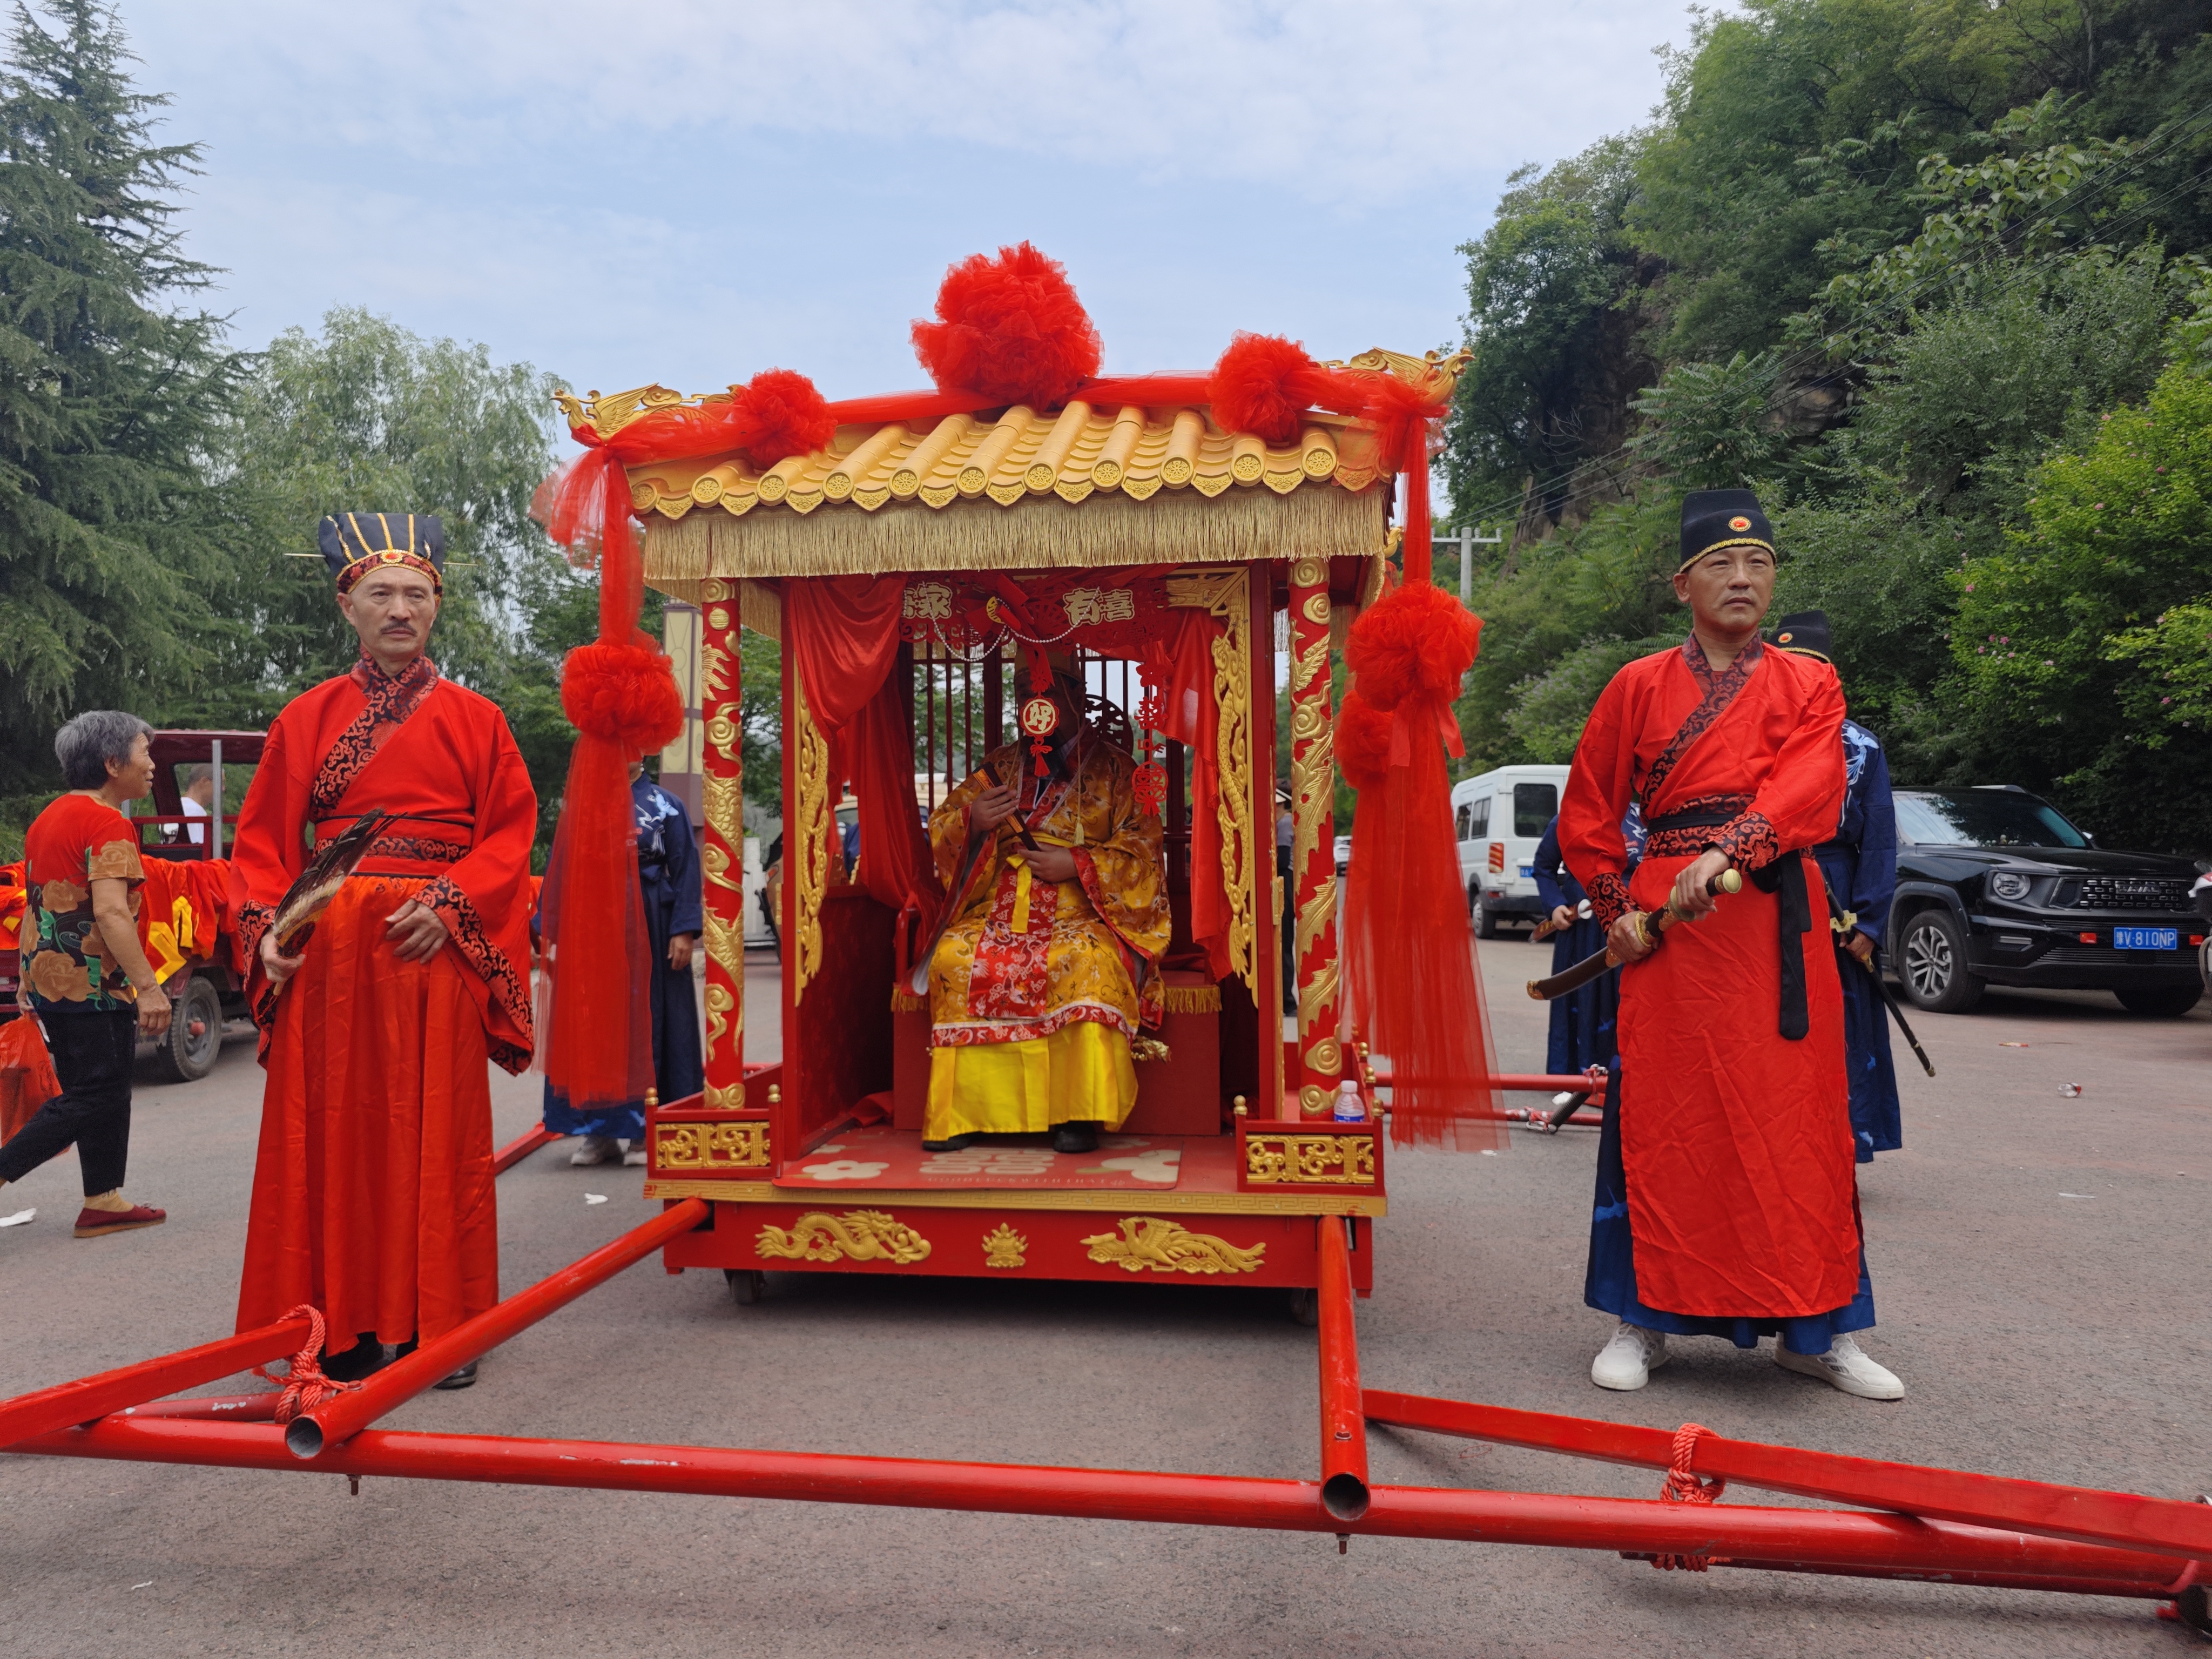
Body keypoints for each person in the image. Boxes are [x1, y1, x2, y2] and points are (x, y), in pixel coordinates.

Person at [1559, 490, 1901, 1401]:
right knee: (1667, 1122)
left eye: (1759, 564)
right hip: (1671, 941)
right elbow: (1587, 814)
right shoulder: (1635, 685)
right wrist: (1614, 911)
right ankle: (1640, 1318)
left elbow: (1811, 784)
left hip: (1776, 926)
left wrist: (1728, 851)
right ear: (1684, 585)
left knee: (1798, 1130)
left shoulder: (1810, 683)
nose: (1742, 578)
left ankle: (1818, 1330)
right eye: (1721, 564)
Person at [230, 513, 537, 1390]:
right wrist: (270, 930)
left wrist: (451, 903)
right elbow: (260, 845)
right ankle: (343, 1322)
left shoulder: (480, 721)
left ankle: (443, 1327)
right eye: (381, 594)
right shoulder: (305, 718)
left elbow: (510, 836)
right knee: (335, 1134)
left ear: (435, 605)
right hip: (330, 958)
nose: (400, 609)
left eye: (416, 594)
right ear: (348, 607)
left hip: (432, 950)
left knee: (438, 1136)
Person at [921, 656, 1170, 1154]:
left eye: (1048, 692)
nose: (1035, 704)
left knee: (1085, 962)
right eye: (1024, 693)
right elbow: (942, 828)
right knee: (955, 958)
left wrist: (1077, 864)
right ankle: (967, 1113)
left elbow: (1143, 851)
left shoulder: (1118, 769)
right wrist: (973, 823)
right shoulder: (998, 767)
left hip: (1082, 908)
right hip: (1000, 902)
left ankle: (1076, 1113)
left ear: (1077, 696)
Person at [0, 712, 171, 1237]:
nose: (152, 764)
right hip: (93, 983)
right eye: (144, 752)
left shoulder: (48, 818)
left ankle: (103, 1199)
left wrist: (26, 977)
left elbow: (37, 905)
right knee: (97, 1091)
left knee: (100, 1088)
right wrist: (150, 987)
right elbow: (112, 912)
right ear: (112, 763)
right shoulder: (107, 823)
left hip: (52, 979)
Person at [1771, 612, 1901, 1162]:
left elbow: (1879, 840)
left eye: (1812, 669)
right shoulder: (1751, 736)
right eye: (1789, 669)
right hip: (1766, 885)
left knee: (1841, 1019)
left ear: (1829, 674)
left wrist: (1869, 921)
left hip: (1837, 888)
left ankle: (1843, 1145)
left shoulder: (1860, 746)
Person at [548, 760, 704, 1166]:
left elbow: (686, 867)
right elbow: (562, 865)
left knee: (649, 1020)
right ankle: (599, 1133)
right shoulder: (583, 806)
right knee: (598, 1024)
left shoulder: (667, 805)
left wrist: (684, 929)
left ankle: (644, 1132)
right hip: (595, 925)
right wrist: (552, 928)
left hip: (651, 924)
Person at [180, 764, 213, 847]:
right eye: (221, 783)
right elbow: (199, 850)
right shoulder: (193, 811)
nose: (223, 788)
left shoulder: (184, 806)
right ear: (204, 781)